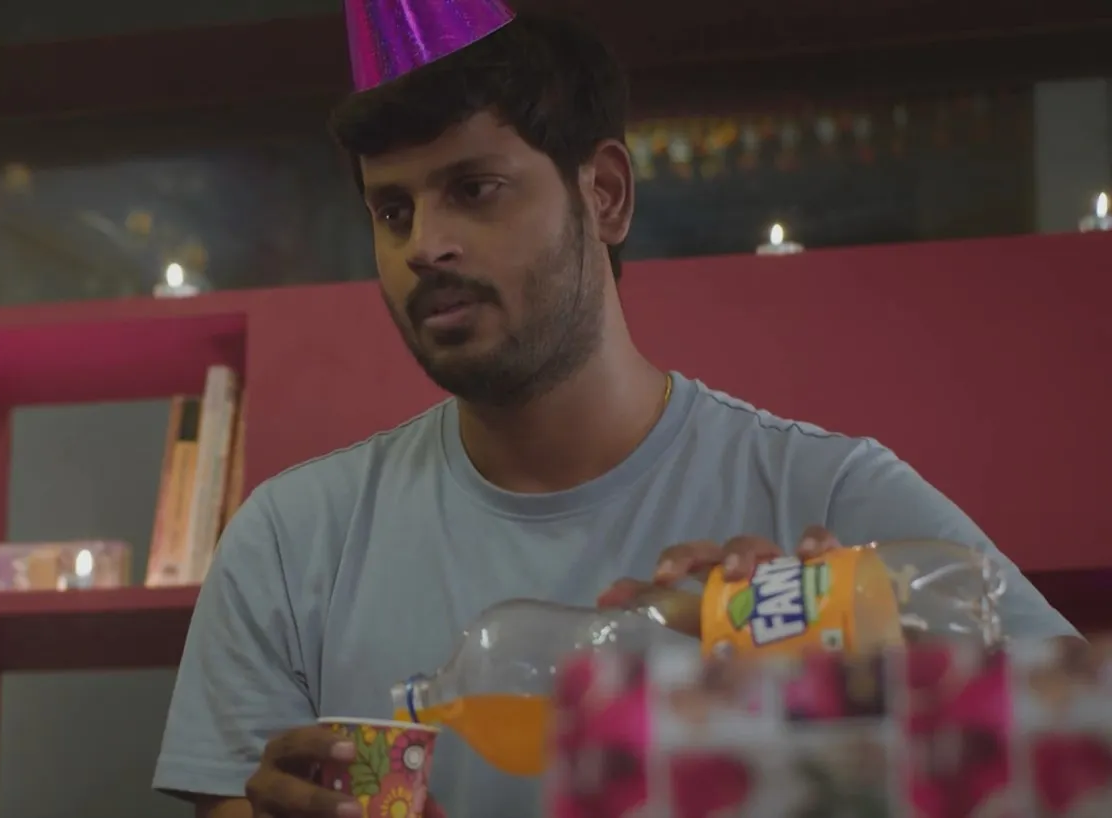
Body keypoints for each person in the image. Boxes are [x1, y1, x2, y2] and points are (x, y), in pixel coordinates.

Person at [151, 5, 1077, 818]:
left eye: (473, 190)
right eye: (392, 211)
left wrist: (845, 731)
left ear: (604, 194)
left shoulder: (829, 497)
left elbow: (1080, 762)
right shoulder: (289, 545)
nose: (424, 245)